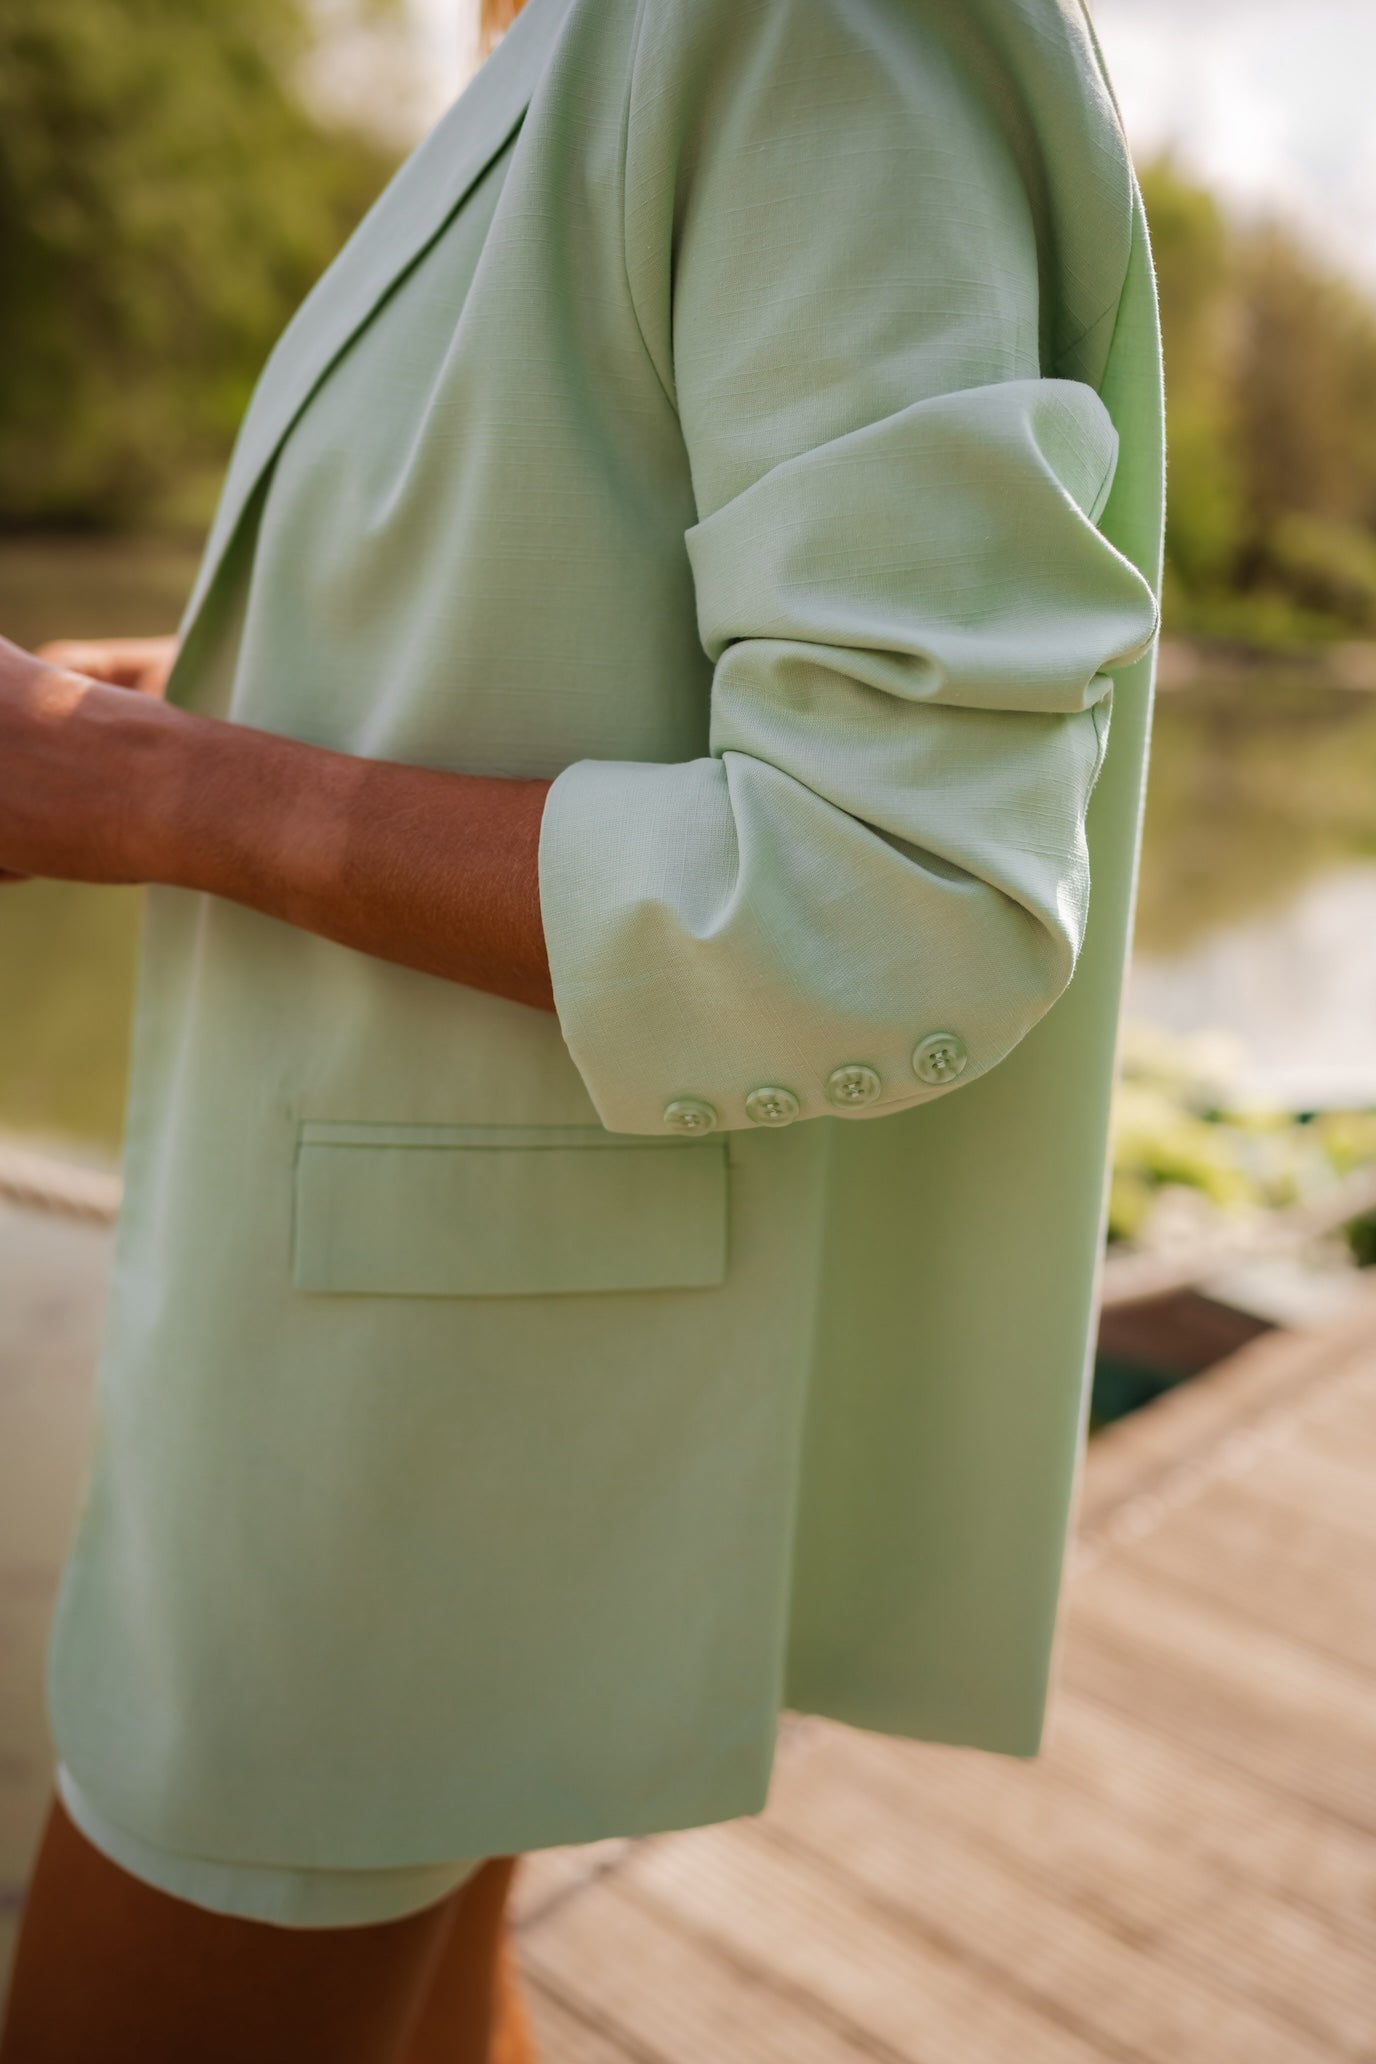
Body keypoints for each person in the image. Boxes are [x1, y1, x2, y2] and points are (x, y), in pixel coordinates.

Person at [0, 0, 1163, 2056]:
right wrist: (152, 716)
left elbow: (899, 888)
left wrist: (140, 795)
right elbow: (552, 632)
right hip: (430, 1368)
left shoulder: (810, 26)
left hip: (402, 1436)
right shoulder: (585, 39)